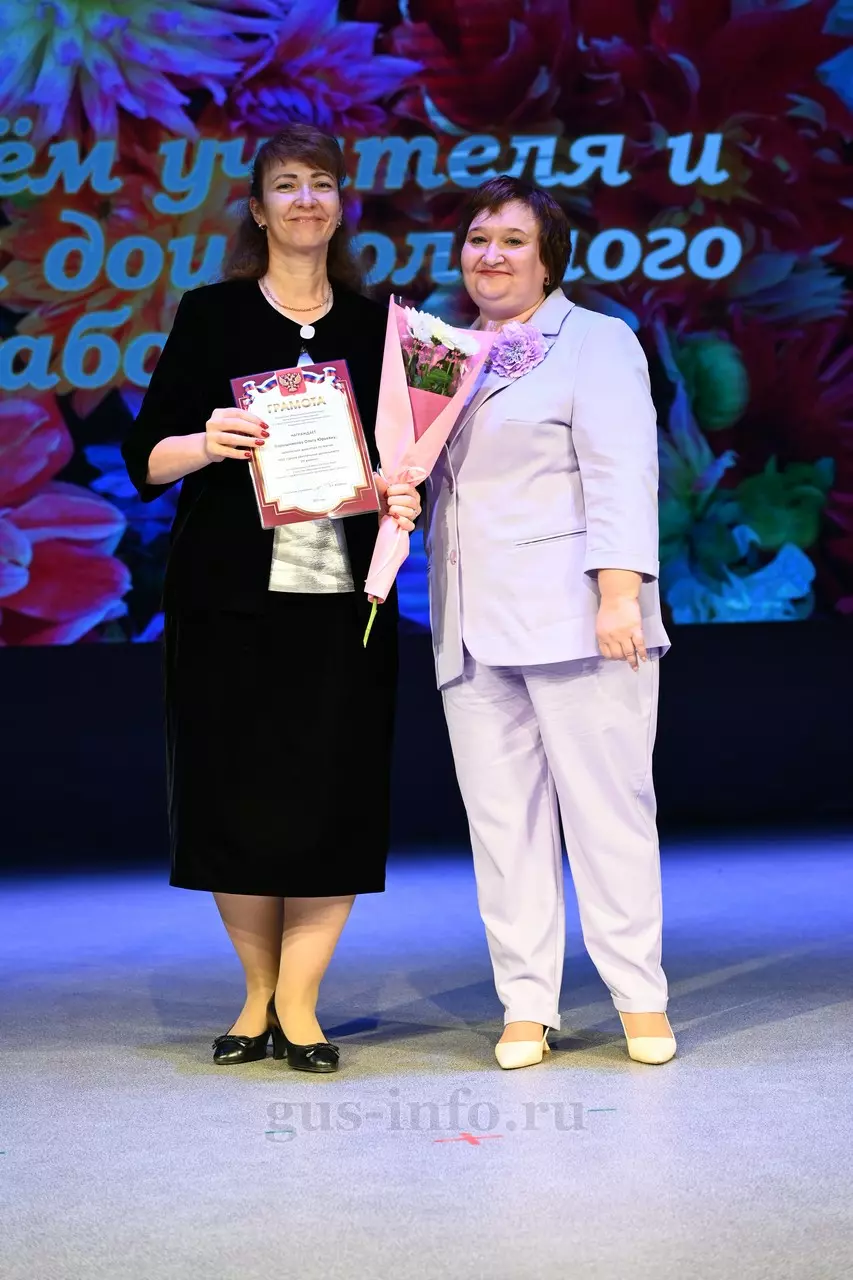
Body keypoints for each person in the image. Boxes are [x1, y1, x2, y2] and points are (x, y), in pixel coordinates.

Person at [122, 125, 420, 1074]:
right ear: (257, 210)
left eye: (320, 183)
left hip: (342, 602)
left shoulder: (379, 329)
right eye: (285, 185)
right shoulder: (211, 315)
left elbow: (403, 460)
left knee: (334, 793)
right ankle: (256, 996)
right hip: (229, 602)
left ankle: (300, 1003)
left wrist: (401, 491)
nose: (304, 200)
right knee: (235, 794)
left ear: (341, 206)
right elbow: (147, 460)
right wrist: (208, 441)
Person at [426, 176, 676, 1069]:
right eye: (477, 239)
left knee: (608, 814)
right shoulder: (439, 351)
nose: (489, 255)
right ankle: (525, 1005)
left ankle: (639, 997)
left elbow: (620, 471)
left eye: (511, 240)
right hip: (468, 620)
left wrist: (619, 594)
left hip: (579, 614)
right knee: (502, 827)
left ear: (548, 260)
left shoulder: (597, 340)